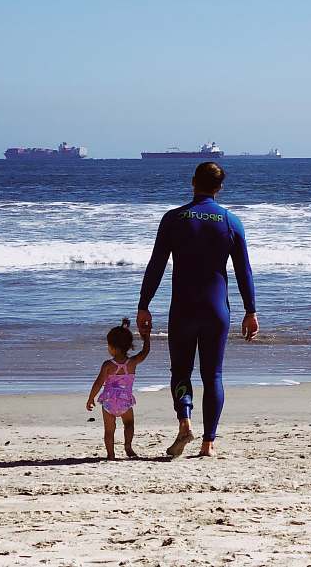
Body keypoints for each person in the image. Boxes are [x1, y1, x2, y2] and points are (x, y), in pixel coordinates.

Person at [138, 162, 258, 458]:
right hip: (216, 309)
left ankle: (185, 421)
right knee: (212, 375)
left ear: (193, 182)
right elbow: (245, 272)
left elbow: (156, 266)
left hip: (182, 308)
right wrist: (250, 311)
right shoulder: (231, 222)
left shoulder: (173, 219)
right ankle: (208, 443)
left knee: (180, 370)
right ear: (220, 187)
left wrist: (144, 305)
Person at [85, 318, 150, 459]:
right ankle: (128, 446)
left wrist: (91, 398)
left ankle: (111, 454)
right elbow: (145, 352)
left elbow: (98, 383)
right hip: (125, 402)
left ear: (113, 347)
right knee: (129, 424)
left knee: (109, 430)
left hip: (109, 402)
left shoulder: (108, 365)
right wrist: (146, 337)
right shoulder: (132, 362)